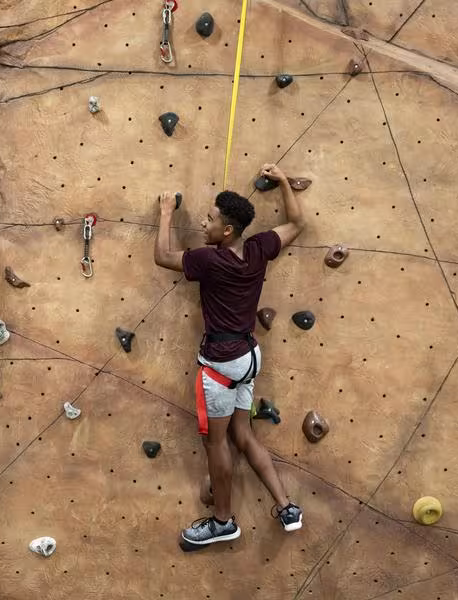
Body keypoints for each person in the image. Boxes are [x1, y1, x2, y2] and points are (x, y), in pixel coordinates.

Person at [153, 164, 306, 546]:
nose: (204, 223)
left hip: (221, 363)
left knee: (216, 443)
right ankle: (286, 506)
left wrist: (166, 212)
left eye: (210, 219)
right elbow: (296, 223)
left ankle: (223, 522)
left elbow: (162, 256)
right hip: (250, 356)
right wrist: (284, 181)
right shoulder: (258, 249)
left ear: (227, 231)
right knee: (242, 433)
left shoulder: (209, 260)